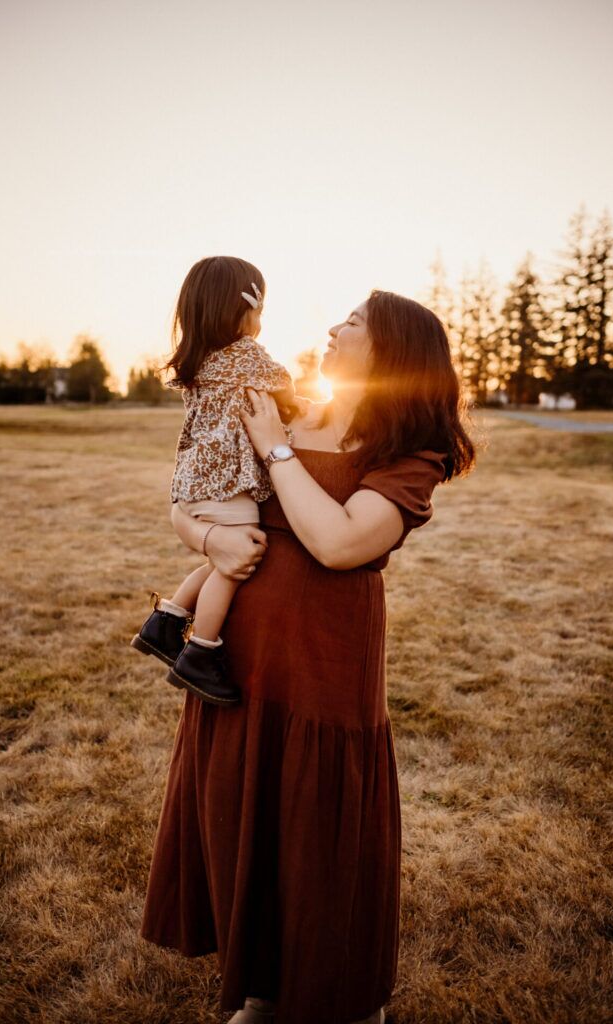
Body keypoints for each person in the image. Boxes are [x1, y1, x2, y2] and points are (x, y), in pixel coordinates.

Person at [140, 289, 477, 1024]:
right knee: (244, 810)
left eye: (352, 321)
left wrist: (277, 451)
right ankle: (261, 990)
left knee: (315, 832)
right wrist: (208, 539)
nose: (332, 327)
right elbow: (191, 494)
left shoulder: (407, 454)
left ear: (391, 349)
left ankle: (345, 1001)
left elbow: (338, 542)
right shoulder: (283, 410)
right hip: (238, 654)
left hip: (325, 656)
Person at [130, 255, 300, 705]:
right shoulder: (245, 355)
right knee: (234, 564)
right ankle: (201, 651)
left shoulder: (200, 361)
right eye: (260, 310)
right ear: (242, 310)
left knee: (219, 559)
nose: (261, 322)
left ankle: (166, 622)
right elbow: (285, 387)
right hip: (226, 484)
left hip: (195, 482)